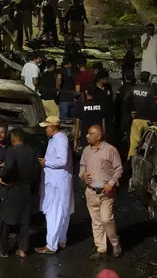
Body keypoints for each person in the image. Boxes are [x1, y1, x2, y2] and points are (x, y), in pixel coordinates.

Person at [0, 128, 40, 259]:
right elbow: (36, 170)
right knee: (24, 221)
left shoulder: (12, 152)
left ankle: (3, 250)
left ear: (13, 140)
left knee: (5, 220)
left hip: (13, 189)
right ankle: (23, 250)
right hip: (27, 190)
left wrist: (2, 175)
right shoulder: (31, 151)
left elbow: (9, 167)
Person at [79, 125, 123, 259]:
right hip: (91, 191)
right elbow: (82, 166)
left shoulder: (110, 150)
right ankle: (101, 248)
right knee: (96, 221)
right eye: (87, 133)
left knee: (106, 219)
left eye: (90, 134)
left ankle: (115, 243)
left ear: (99, 136)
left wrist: (111, 183)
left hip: (106, 192)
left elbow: (119, 169)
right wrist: (82, 175)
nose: (87, 136)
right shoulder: (86, 150)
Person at [35, 116, 74, 255]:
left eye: (46, 127)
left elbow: (62, 160)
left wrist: (46, 163)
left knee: (54, 212)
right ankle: (61, 240)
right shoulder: (57, 139)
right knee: (61, 211)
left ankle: (51, 245)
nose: (45, 130)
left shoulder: (60, 140)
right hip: (58, 181)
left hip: (57, 182)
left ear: (53, 127)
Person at [124, 71, 157, 159]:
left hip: (137, 120)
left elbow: (126, 101)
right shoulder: (150, 91)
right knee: (148, 144)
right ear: (148, 79)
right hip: (148, 121)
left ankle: (130, 163)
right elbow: (153, 107)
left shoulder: (133, 89)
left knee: (134, 144)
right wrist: (155, 121)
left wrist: (132, 110)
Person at [73, 85, 106, 152]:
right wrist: (104, 138)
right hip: (98, 138)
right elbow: (103, 123)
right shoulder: (100, 106)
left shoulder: (81, 106)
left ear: (86, 92)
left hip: (86, 138)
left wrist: (75, 140)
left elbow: (77, 124)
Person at [141, 23, 157, 88]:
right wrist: (148, 38)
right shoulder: (143, 37)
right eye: (149, 29)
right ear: (146, 29)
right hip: (146, 64)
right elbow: (144, 47)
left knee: (155, 80)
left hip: (155, 63)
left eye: (152, 29)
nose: (150, 30)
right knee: (146, 80)